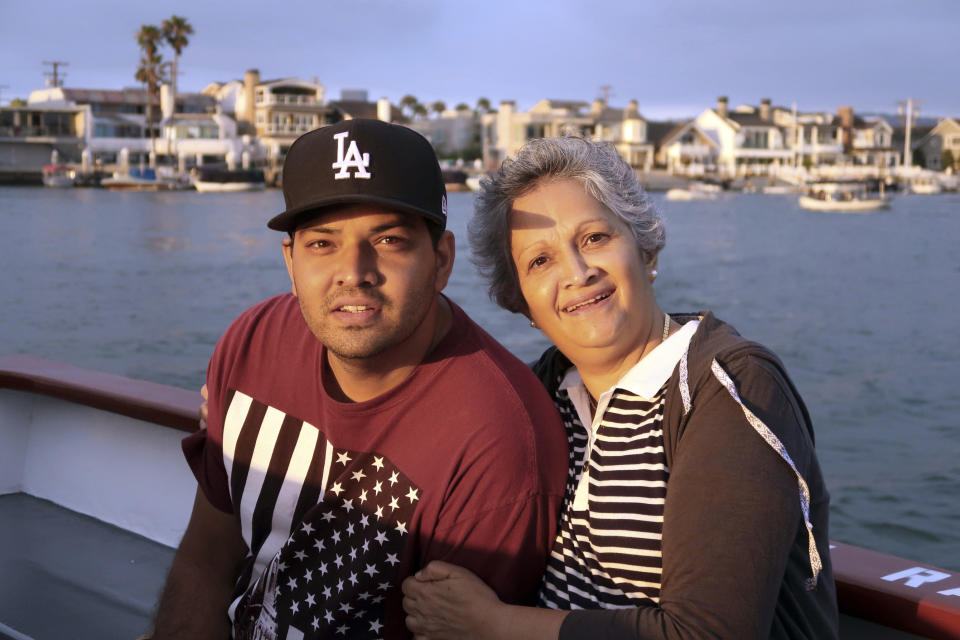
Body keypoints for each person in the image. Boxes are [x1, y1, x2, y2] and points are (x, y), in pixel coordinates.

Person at [402, 136, 839, 639]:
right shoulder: (539, 396)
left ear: (646, 247)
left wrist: (494, 624)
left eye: (594, 238)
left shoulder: (726, 385)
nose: (577, 272)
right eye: (540, 261)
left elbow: (710, 633)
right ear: (521, 302)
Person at [150, 119, 568, 640]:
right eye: (323, 244)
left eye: (389, 240)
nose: (354, 271)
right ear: (290, 262)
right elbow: (207, 557)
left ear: (440, 262)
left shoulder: (499, 443)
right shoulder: (253, 342)